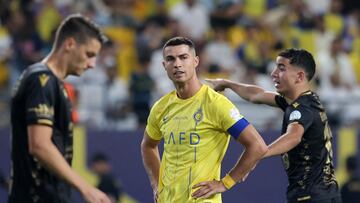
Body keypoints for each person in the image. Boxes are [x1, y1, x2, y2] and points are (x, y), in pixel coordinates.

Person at [141, 36, 268, 203]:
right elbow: (148, 145)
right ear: (164, 66)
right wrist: (156, 183)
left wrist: (226, 183)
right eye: (170, 59)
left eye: (183, 57)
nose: (177, 64)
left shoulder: (215, 104)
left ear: (195, 61)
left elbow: (257, 146)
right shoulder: (161, 107)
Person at [206, 48, 341, 202]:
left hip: (311, 197)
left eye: (281, 68)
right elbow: (256, 95)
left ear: (299, 76)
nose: (273, 73)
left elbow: (293, 136)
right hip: (322, 194)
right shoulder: (301, 101)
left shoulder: (303, 108)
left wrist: (258, 154)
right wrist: (227, 83)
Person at [9, 14, 110, 203]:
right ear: (70, 44)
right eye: (89, 54)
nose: (92, 64)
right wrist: (85, 188)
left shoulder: (55, 85)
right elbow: (40, 144)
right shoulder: (41, 81)